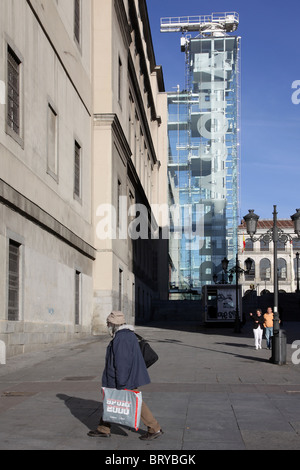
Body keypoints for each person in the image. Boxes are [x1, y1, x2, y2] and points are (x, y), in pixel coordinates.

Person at [88, 311, 163, 441]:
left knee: (134, 402)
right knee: (111, 401)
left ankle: (154, 428)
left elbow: (122, 362)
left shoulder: (121, 338)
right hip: (127, 377)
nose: (107, 326)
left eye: (108, 323)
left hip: (123, 378)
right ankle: (103, 428)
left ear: (113, 324)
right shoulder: (127, 335)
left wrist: (121, 383)